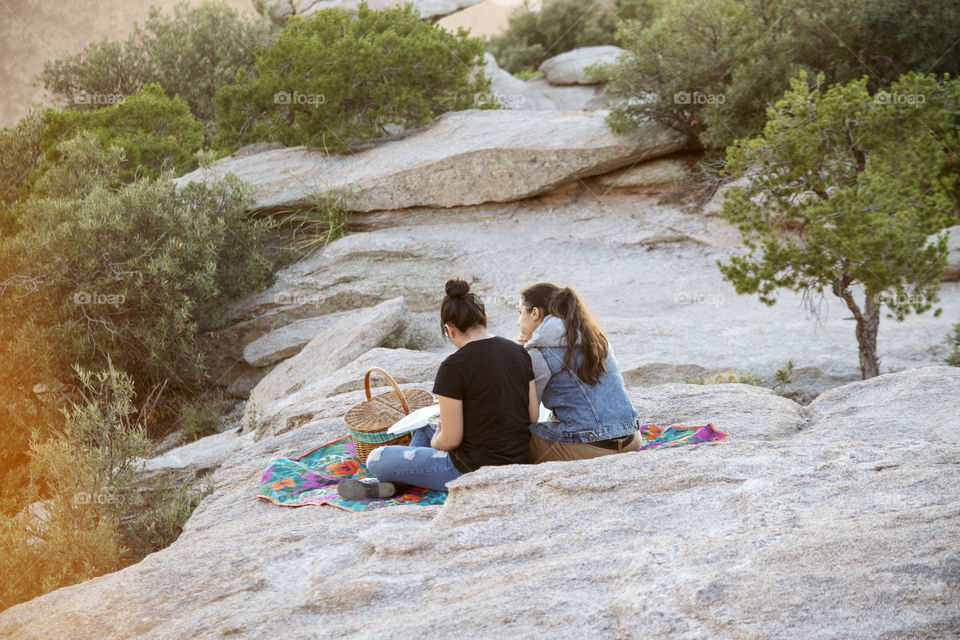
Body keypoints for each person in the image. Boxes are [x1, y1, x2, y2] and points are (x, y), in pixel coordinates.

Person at [337, 278, 537, 500]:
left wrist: (437, 440)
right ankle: (396, 484)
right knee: (424, 427)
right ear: (485, 319)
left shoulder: (453, 366)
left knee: (376, 458)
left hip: (471, 468)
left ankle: (398, 483)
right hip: (518, 457)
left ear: (450, 329)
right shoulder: (518, 352)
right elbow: (533, 415)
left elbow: (451, 440)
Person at [517, 282, 641, 463]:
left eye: (520, 313)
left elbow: (528, 414)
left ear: (535, 313)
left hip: (590, 447)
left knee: (511, 436)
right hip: (631, 440)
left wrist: (521, 357)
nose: (518, 321)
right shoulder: (595, 337)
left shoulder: (540, 353)